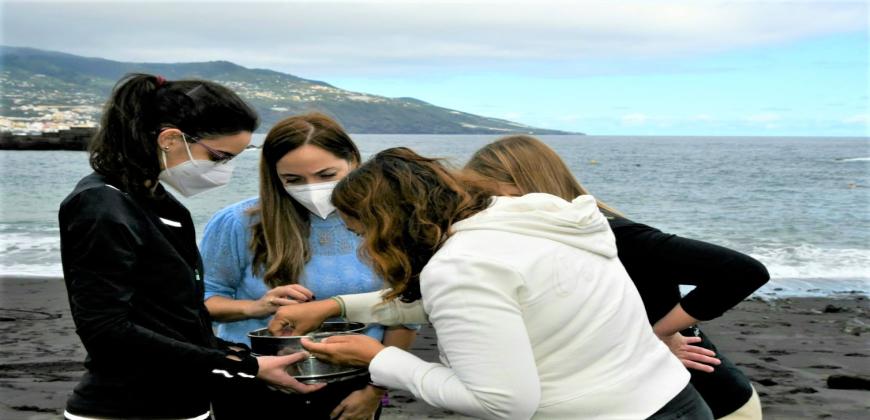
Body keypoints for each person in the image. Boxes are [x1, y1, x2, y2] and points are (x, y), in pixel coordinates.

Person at [270, 147, 713, 419]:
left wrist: (379, 357)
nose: (365, 244)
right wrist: (337, 307)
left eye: (360, 230)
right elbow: (496, 308)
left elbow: (501, 403)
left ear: (388, 224)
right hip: (676, 399)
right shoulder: (528, 222)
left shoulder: (462, 266)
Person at [59, 74, 322, 420]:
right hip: (126, 408)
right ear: (169, 139)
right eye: (218, 157)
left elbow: (181, 319)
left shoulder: (164, 205)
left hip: (187, 402)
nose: (223, 169)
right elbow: (106, 331)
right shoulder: (100, 205)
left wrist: (242, 355)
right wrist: (242, 366)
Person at [463, 135, 768, 419]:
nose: (479, 204)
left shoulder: (612, 234)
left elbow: (741, 271)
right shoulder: (557, 236)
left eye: (483, 194)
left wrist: (659, 332)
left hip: (714, 401)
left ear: (516, 186)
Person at [200, 113, 417, 420]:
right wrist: (256, 307)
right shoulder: (238, 223)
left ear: (354, 162)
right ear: (274, 177)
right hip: (254, 380)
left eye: (327, 175)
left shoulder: (387, 222)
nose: (312, 189)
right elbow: (201, 300)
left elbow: (406, 313)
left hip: (353, 385)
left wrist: (375, 392)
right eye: (293, 180)